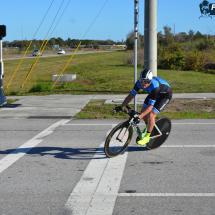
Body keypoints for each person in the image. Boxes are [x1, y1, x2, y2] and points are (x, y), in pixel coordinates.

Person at [113, 69, 172, 146]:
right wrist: (121, 106)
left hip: (164, 96)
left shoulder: (155, 87)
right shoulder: (139, 83)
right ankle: (149, 126)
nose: (143, 83)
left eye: (146, 81)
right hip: (152, 94)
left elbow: (150, 107)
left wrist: (139, 117)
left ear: (150, 81)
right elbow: (131, 95)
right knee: (143, 112)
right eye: (142, 81)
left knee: (151, 115)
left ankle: (147, 136)